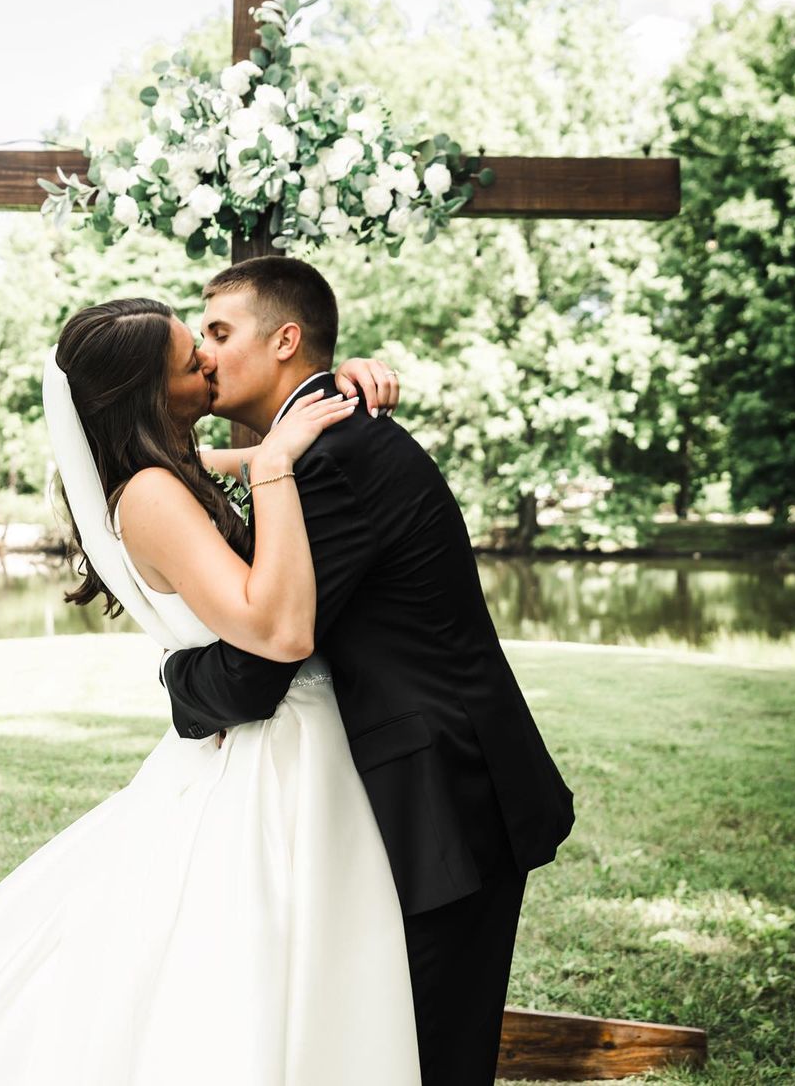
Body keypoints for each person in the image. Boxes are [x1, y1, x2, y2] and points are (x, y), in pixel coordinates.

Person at [0, 299, 421, 1086]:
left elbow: (252, 451)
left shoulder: (167, 473)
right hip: (272, 760)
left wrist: (339, 388)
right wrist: (271, 463)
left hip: (283, 743)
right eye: (194, 363)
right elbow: (282, 632)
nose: (211, 366)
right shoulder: (151, 493)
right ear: (149, 395)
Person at [160, 256, 577, 1086]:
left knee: (429, 1058)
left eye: (218, 332)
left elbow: (255, 668)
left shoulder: (329, 460)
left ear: (285, 340)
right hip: (420, 794)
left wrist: (173, 678)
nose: (205, 355)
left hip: (446, 803)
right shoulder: (319, 437)